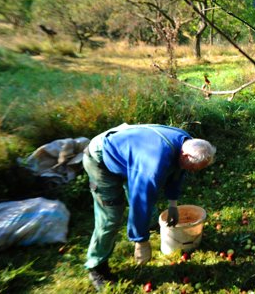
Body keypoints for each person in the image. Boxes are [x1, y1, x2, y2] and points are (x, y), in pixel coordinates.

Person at [82, 123, 216, 291]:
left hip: (131, 153)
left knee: (146, 197)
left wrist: (173, 204)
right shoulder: (153, 165)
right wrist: (141, 242)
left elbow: (178, 171)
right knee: (111, 216)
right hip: (102, 158)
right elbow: (140, 202)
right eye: (193, 168)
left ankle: (151, 224)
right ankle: (96, 266)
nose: (193, 172)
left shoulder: (186, 142)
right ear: (185, 154)